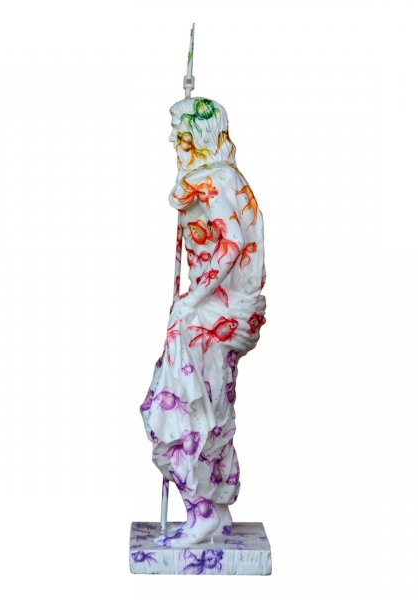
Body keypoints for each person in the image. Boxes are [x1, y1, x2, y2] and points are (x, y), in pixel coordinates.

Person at [139, 97, 267, 547]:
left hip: (214, 313)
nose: (172, 140)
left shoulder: (215, 180)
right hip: (230, 312)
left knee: (178, 402)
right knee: (211, 400)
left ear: (199, 134)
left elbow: (231, 243)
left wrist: (192, 299)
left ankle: (200, 510)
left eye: (180, 132)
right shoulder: (225, 177)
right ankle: (218, 507)